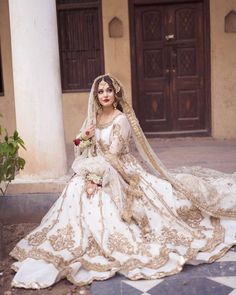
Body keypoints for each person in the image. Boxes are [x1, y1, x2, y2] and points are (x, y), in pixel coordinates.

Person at [10, 74, 236, 289]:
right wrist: (84, 140)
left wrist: (96, 180)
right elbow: (82, 145)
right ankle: (79, 239)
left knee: (99, 193)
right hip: (100, 166)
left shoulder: (121, 119)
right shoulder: (94, 118)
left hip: (122, 170)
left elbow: (113, 156)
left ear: (116, 94)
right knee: (75, 187)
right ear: (96, 96)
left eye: (109, 90)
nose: (105, 94)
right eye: (100, 91)